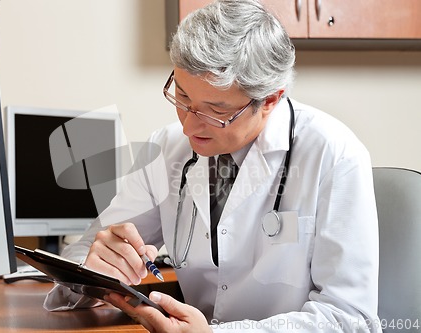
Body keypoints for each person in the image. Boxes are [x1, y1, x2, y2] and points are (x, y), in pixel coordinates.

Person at [45, 0, 381, 332]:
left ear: (270, 100)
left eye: (215, 111)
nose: (189, 128)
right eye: (183, 97)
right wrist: (93, 271)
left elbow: (349, 317)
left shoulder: (334, 155)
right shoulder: (167, 147)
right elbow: (83, 253)